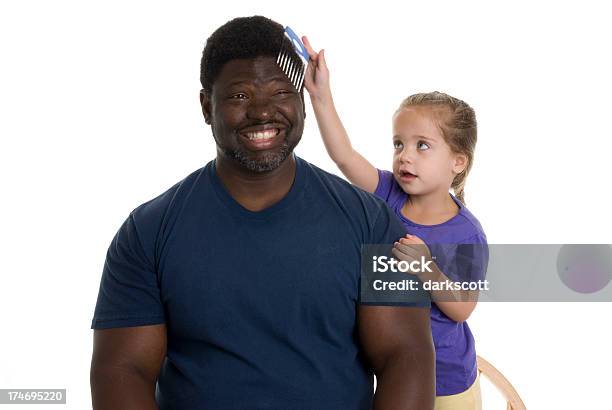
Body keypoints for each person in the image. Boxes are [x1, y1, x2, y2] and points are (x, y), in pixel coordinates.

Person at [89, 16, 435, 410]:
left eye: (280, 92)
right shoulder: (146, 232)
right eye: (239, 96)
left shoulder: (373, 223)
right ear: (207, 106)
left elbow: (406, 356)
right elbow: (122, 371)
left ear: (302, 100)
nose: (263, 112)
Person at [302, 36, 489, 410]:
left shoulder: (466, 232)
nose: (405, 156)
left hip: (446, 382)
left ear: (458, 161)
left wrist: (426, 267)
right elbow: (344, 156)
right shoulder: (387, 192)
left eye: (422, 145)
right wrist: (321, 96)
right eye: (399, 143)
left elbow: (463, 308)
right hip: (396, 370)